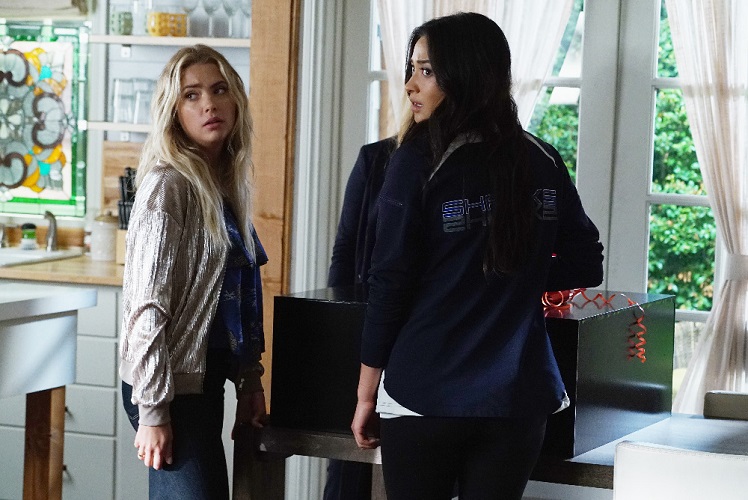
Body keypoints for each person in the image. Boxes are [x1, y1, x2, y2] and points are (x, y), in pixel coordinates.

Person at [350, 12, 604, 500]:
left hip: (424, 394)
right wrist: (512, 276)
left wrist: (365, 394)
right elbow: (585, 262)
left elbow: (389, 283)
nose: (410, 85)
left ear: (464, 75)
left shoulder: (416, 161)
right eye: (412, 70)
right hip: (518, 398)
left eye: (426, 71)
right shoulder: (542, 158)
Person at [118, 44, 268, 500]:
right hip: (165, 387)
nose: (209, 104)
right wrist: (153, 412)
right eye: (191, 95)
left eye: (219, 90)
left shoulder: (224, 184)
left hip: (203, 381)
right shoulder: (168, 187)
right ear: (173, 112)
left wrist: (249, 380)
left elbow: (237, 299)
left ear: (236, 99)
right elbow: (146, 309)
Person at [324, 136, 396, 500]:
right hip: (363, 335)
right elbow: (344, 252)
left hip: (419, 349)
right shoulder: (376, 157)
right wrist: (340, 340)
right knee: (347, 472)